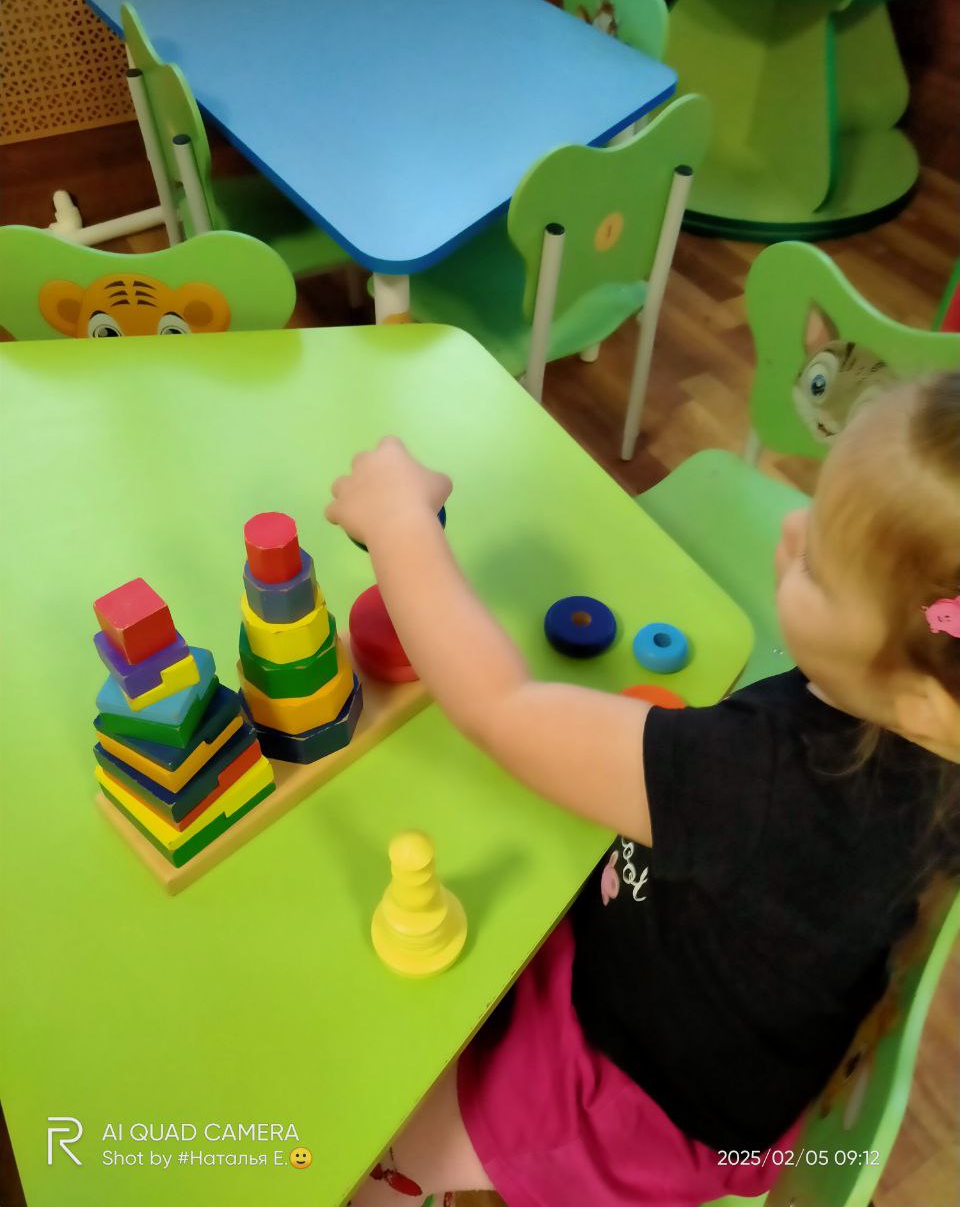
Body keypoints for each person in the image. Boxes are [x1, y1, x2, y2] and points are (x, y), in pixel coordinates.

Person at [329, 373, 960, 1207]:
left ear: (922, 697)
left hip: (630, 1106)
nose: (789, 527)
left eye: (816, 566)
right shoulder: (928, 740)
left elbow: (499, 708)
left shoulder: (764, 783)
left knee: (363, 1146)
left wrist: (398, 523)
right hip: (723, 1038)